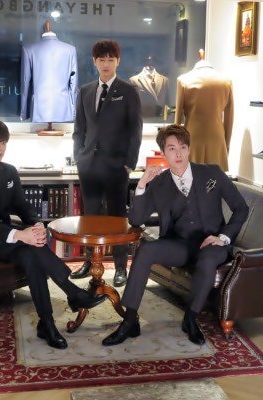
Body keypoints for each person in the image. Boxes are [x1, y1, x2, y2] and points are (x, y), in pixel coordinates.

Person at [0, 120, 107, 350]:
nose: (1, 148)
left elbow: (22, 206)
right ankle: (72, 293)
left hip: (8, 238)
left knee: (31, 255)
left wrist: (36, 225)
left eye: (4, 142)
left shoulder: (8, 171)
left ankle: (47, 322)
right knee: (31, 248)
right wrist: (19, 235)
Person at [102, 124, 249, 346]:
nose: (178, 153)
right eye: (172, 148)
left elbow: (241, 208)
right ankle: (130, 320)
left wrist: (223, 237)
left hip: (212, 244)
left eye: (182, 147)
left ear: (189, 149)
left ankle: (190, 318)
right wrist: (141, 184)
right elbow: (136, 219)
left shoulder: (212, 173)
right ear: (164, 153)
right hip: (180, 244)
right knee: (146, 250)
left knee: (208, 259)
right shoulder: (159, 184)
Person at [72, 40, 143, 287]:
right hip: (88, 165)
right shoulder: (85, 91)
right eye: (101, 59)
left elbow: (135, 130)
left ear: (118, 62)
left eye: (111, 59)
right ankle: (90, 261)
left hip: (116, 166)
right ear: (94, 61)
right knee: (90, 216)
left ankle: (121, 266)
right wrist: (78, 156)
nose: (106, 64)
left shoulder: (129, 91)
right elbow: (79, 129)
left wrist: (129, 163)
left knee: (117, 217)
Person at [175, 51, 233, 171]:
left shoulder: (183, 80)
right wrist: (226, 143)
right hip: (217, 138)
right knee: (214, 178)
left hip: (192, 137)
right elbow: (229, 116)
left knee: (191, 177)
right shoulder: (226, 81)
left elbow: (178, 118)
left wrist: (176, 145)